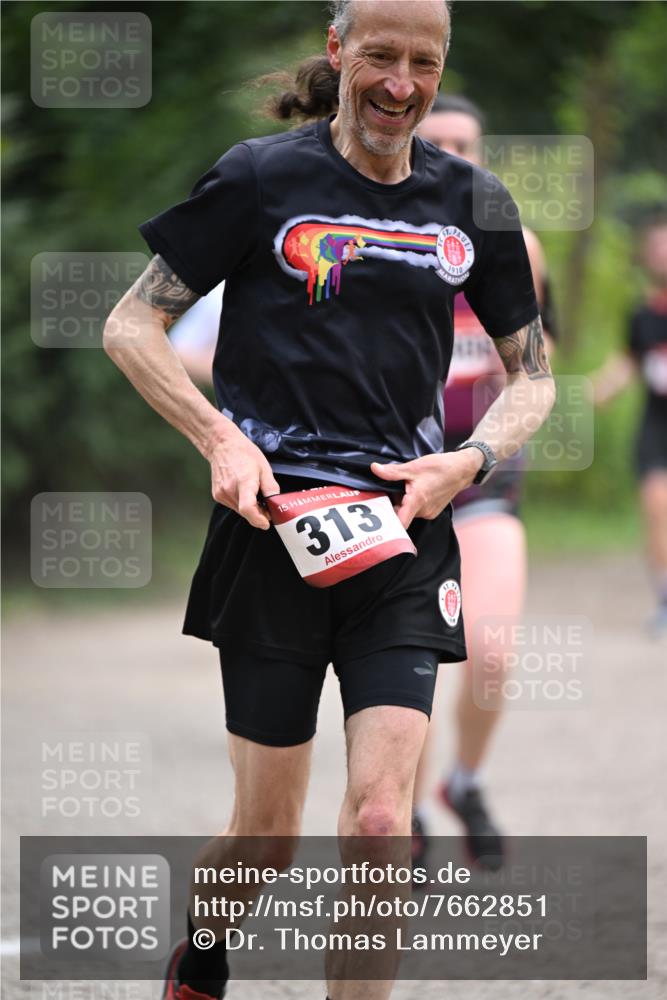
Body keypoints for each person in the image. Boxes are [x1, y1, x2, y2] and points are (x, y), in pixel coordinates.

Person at [103, 2, 555, 998]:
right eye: (381, 57)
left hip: (403, 535)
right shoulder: (263, 177)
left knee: (382, 820)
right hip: (273, 534)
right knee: (265, 837)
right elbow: (132, 323)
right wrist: (219, 436)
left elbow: (535, 378)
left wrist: (465, 461)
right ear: (337, 48)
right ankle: (203, 954)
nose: (401, 83)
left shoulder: (473, 202)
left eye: (423, 63)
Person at [411, 94, 558, 870]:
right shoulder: (380, 239)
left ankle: (463, 782)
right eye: (437, 144)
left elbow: (538, 363)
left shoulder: (518, 246)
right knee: (408, 658)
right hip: (390, 477)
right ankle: (399, 809)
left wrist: (491, 436)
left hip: (482, 473)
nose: (454, 158)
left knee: (490, 652)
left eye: (465, 143)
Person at [591, 216, 667, 636]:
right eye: (655, 247)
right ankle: (664, 598)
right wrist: (598, 389)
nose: (662, 254)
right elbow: (628, 362)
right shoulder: (641, 314)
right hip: (656, 427)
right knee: (657, 505)